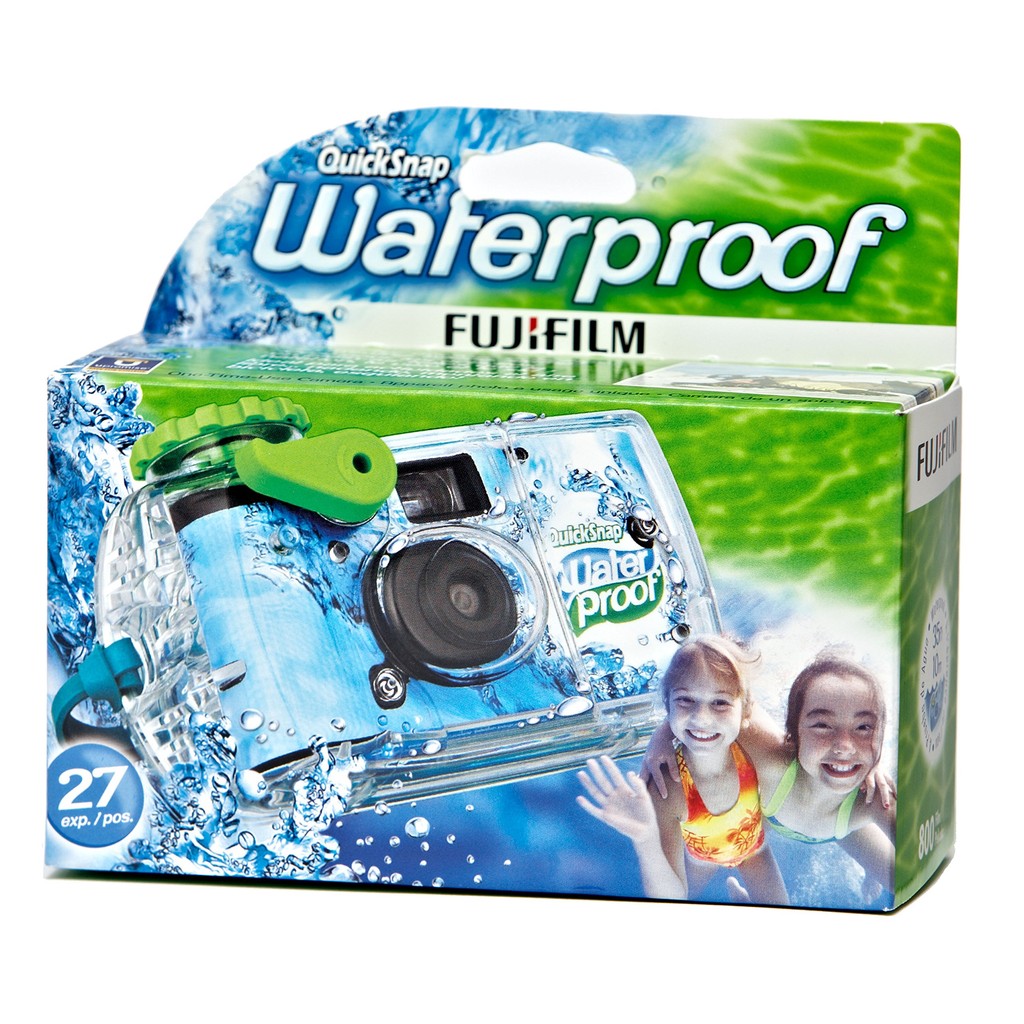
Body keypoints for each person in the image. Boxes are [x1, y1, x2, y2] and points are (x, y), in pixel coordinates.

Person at [643, 651, 896, 900]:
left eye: (864, 728)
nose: (845, 747)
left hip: (846, 830)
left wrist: (870, 760)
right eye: (822, 725)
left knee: (896, 880)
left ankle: (870, 872)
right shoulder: (771, 757)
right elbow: (709, 679)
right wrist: (663, 734)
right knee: (689, 891)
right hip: (734, 840)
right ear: (793, 733)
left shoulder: (874, 799)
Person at [577, 636, 788, 904]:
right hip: (701, 858)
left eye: (720, 702)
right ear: (667, 706)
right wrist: (645, 839)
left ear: (746, 711)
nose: (702, 718)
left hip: (755, 850)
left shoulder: (753, 747)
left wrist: (662, 734)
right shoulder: (669, 786)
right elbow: (669, 897)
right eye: (686, 700)